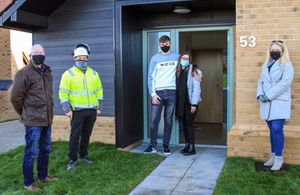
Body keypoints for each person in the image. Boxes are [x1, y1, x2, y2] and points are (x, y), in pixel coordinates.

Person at [11, 44, 58, 191]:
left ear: (45, 54)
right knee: (31, 152)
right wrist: (24, 113)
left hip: (47, 119)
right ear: (30, 55)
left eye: (42, 52)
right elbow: (15, 98)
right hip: (33, 121)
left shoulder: (47, 72)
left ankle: (43, 176)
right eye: (36, 52)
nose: (39, 54)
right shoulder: (23, 73)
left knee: (45, 149)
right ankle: (28, 183)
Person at [59, 43, 103, 170]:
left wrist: (99, 107)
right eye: (79, 58)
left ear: (88, 58)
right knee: (75, 136)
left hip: (91, 111)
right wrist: (67, 110)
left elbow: (99, 91)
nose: (82, 60)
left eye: (84, 58)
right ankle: (72, 160)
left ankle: (83, 155)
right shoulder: (68, 74)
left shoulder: (94, 74)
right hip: (76, 111)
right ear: (74, 59)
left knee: (86, 135)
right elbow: (63, 93)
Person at [257, 40, 294, 171]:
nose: (274, 51)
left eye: (277, 49)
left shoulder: (287, 65)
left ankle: (279, 158)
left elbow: (285, 84)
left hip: (278, 103)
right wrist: (260, 94)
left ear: (282, 51)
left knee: (277, 129)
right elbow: (260, 81)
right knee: (272, 130)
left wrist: (268, 95)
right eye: (272, 49)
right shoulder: (266, 65)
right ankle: (273, 156)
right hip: (266, 103)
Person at [144, 35, 179, 155]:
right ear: (159, 45)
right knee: (154, 121)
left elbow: (184, 68)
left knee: (168, 121)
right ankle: (153, 146)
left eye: (167, 43)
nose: (165, 46)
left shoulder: (176, 57)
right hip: (157, 93)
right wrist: (153, 94)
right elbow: (150, 77)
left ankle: (166, 146)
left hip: (172, 93)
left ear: (170, 43)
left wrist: (196, 72)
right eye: (162, 44)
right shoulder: (155, 58)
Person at [176, 52, 202, 155]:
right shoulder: (179, 71)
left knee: (189, 124)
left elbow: (197, 89)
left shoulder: (195, 72)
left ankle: (192, 147)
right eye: (183, 58)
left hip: (190, 103)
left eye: (187, 58)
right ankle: (187, 145)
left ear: (190, 60)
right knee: (184, 124)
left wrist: (194, 104)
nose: (185, 60)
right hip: (181, 103)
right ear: (180, 59)